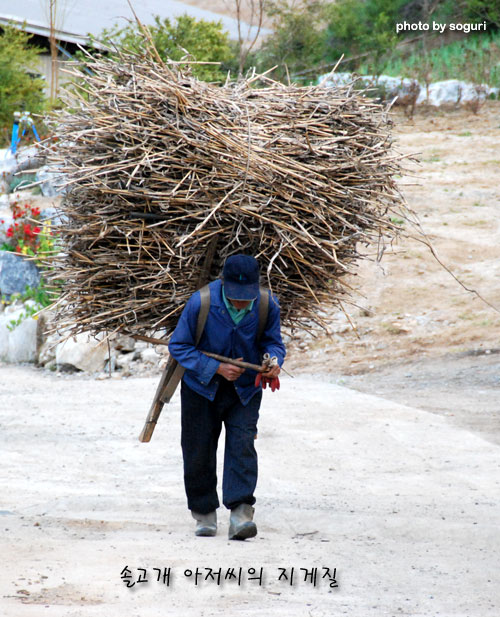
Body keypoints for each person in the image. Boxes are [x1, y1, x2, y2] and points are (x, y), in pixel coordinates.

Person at [168, 254, 286, 540]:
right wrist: (216, 367)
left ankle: (241, 512)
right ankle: (204, 514)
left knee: (242, 444)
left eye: (246, 298)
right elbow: (179, 346)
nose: (241, 303)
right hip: (200, 388)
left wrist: (274, 361)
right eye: (235, 298)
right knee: (198, 449)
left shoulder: (267, 304)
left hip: (245, 390)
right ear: (223, 283)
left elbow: (273, 342)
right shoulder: (201, 302)